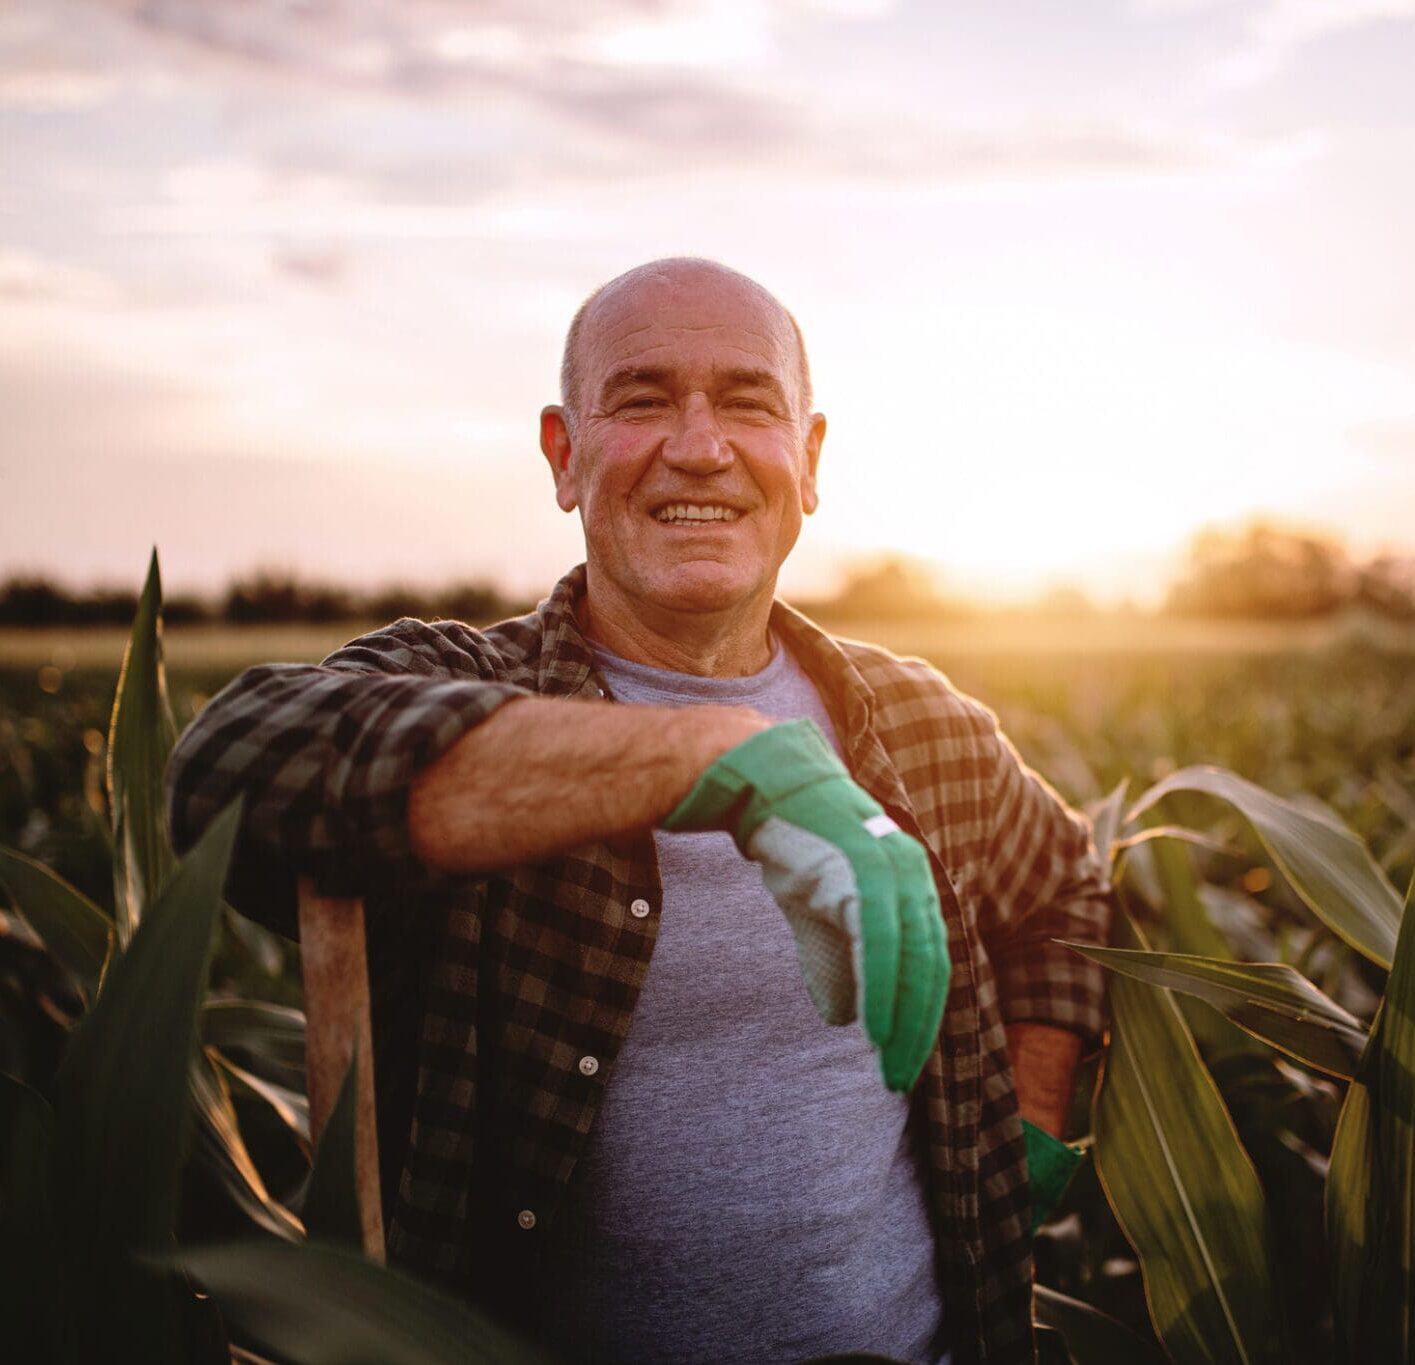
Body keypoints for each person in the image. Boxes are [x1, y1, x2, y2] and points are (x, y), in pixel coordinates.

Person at [165, 257, 1112, 1364]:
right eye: (643, 399)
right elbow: (226, 770)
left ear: (806, 464)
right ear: (564, 459)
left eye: (747, 403)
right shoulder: (467, 686)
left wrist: (1028, 1129)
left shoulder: (922, 724)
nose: (700, 445)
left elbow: (1063, 894)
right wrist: (714, 756)